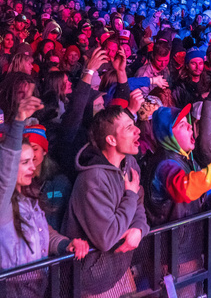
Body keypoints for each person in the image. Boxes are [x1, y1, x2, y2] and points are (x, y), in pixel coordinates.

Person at [0, 94, 88, 298]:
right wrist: (18, 122)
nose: (32, 166)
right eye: (24, 162)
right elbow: (5, 177)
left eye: (32, 159)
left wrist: (65, 244)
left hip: (37, 291)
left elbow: (43, 232)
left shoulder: (30, 198)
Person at [63, 106, 150, 297]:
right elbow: (107, 237)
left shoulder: (129, 163)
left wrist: (139, 228)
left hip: (119, 269)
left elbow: (139, 202)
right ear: (111, 140)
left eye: (134, 125)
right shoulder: (92, 178)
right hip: (92, 283)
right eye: (129, 128)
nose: (138, 130)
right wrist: (130, 196)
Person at [144, 104, 211, 226]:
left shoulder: (186, 156)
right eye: (182, 125)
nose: (190, 127)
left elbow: (204, 190)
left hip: (187, 238)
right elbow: (186, 189)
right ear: (168, 136)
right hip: (172, 242)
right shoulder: (164, 164)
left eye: (188, 122)